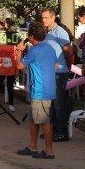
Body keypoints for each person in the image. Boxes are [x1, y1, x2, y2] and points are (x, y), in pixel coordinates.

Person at [14, 22, 58, 159]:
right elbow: (55, 65)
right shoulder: (49, 48)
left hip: (40, 90)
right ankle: (32, 146)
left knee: (44, 121)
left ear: (31, 36)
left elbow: (19, 66)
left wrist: (19, 50)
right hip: (45, 89)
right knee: (33, 119)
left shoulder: (34, 50)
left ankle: (49, 151)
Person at [40, 8, 74, 141]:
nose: (44, 20)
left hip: (59, 73)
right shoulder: (46, 32)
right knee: (51, 103)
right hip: (49, 72)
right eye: (42, 18)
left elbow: (68, 51)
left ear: (53, 18)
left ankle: (62, 131)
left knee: (58, 103)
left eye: (46, 18)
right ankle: (52, 130)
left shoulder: (60, 32)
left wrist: (66, 66)